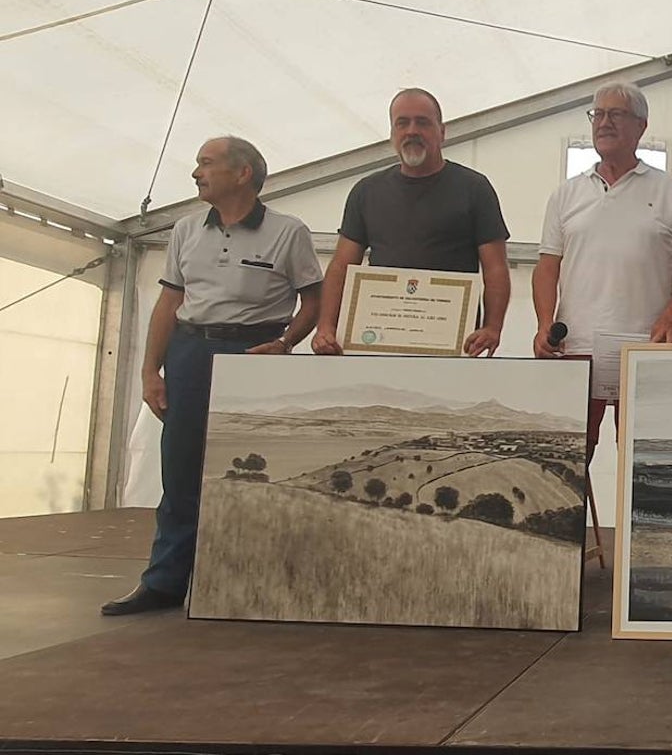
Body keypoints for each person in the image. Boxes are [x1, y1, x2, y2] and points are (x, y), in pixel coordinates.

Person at [102, 137, 323, 615]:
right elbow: (169, 302)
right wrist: (150, 371)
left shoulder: (289, 231)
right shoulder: (185, 229)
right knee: (180, 471)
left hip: (255, 356)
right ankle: (163, 583)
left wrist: (286, 344)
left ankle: (247, 582)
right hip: (190, 353)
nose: (196, 172)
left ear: (242, 174)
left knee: (254, 472)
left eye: (206, 162)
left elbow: (314, 301)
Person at [532, 82, 672, 462]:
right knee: (570, 466)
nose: (604, 122)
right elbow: (546, 268)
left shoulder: (671, 190)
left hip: (644, 352)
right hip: (575, 351)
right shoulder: (565, 195)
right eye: (598, 114)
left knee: (641, 464)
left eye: (616, 114)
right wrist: (545, 323)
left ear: (641, 126)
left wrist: (671, 317)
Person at [311, 88, 511, 356]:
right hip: (376, 343)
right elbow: (341, 266)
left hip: (452, 347)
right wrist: (325, 327)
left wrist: (492, 327)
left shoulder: (474, 188)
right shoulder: (366, 191)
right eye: (402, 123)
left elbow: (495, 268)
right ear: (392, 134)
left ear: (442, 132)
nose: (412, 131)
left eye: (423, 122)